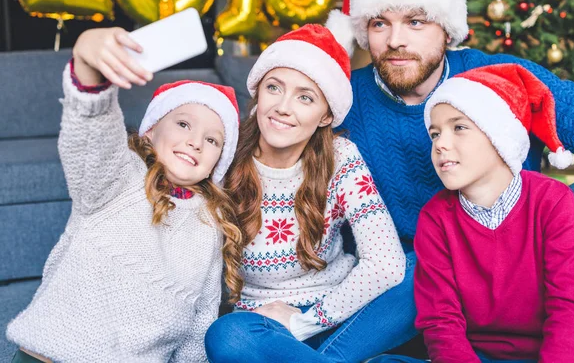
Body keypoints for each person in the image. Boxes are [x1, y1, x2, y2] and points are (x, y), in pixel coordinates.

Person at [326, 0, 574, 305]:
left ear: (446, 28)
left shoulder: (499, 74)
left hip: (522, 262)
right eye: (380, 23)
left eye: (415, 21)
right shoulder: (340, 100)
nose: (396, 41)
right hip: (412, 284)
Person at [6, 28, 242, 362]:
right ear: (151, 130)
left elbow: (199, 321)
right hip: (50, 356)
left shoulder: (209, 223)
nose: (196, 142)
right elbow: (92, 135)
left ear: (218, 161)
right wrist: (89, 70)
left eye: (213, 140)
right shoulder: (118, 176)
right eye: (184, 124)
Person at [204, 24, 413, 363]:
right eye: (274, 88)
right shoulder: (225, 153)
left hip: (343, 312)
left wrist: (307, 321)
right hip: (264, 327)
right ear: (258, 94)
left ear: (325, 115)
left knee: (420, 273)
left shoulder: (341, 156)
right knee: (227, 336)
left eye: (305, 97)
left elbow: (387, 265)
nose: (283, 107)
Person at [373, 64, 574, 362]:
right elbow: (442, 322)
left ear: (499, 136)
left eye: (459, 128)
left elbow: (570, 309)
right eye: (435, 133)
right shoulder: (435, 218)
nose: (440, 143)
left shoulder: (553, 201)